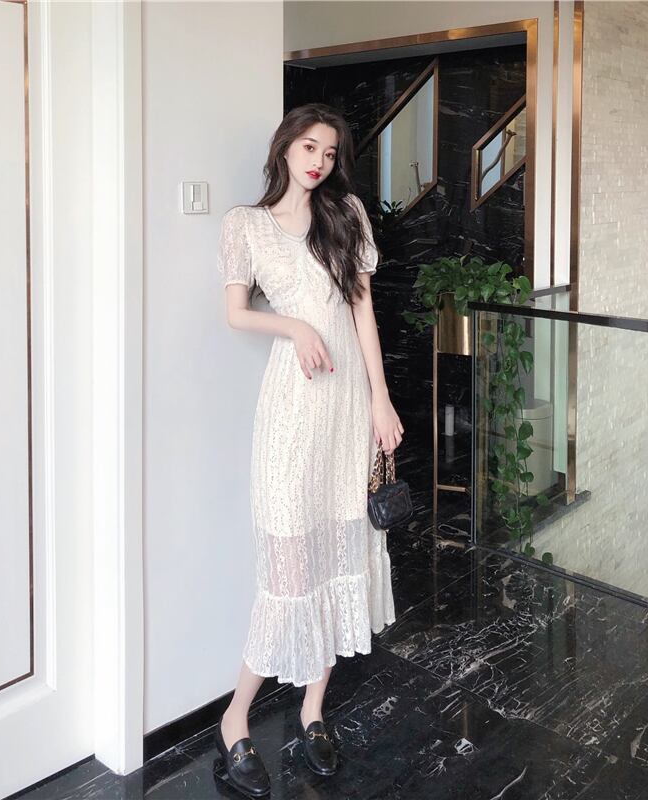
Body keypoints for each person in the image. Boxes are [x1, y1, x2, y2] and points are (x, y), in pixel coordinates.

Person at [214, 102, 403, 796]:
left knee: (339, 558)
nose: (319, 161)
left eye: (329, 151)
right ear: (285, 149)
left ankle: (313, 711)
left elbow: (362, 311)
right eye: (309, 147)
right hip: (292, 410)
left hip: (348, 405)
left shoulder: (346, 213)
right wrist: (293, 325)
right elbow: (236, 311)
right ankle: (235, 718)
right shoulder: (247, 224)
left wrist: (381, 398)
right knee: (290, 571)